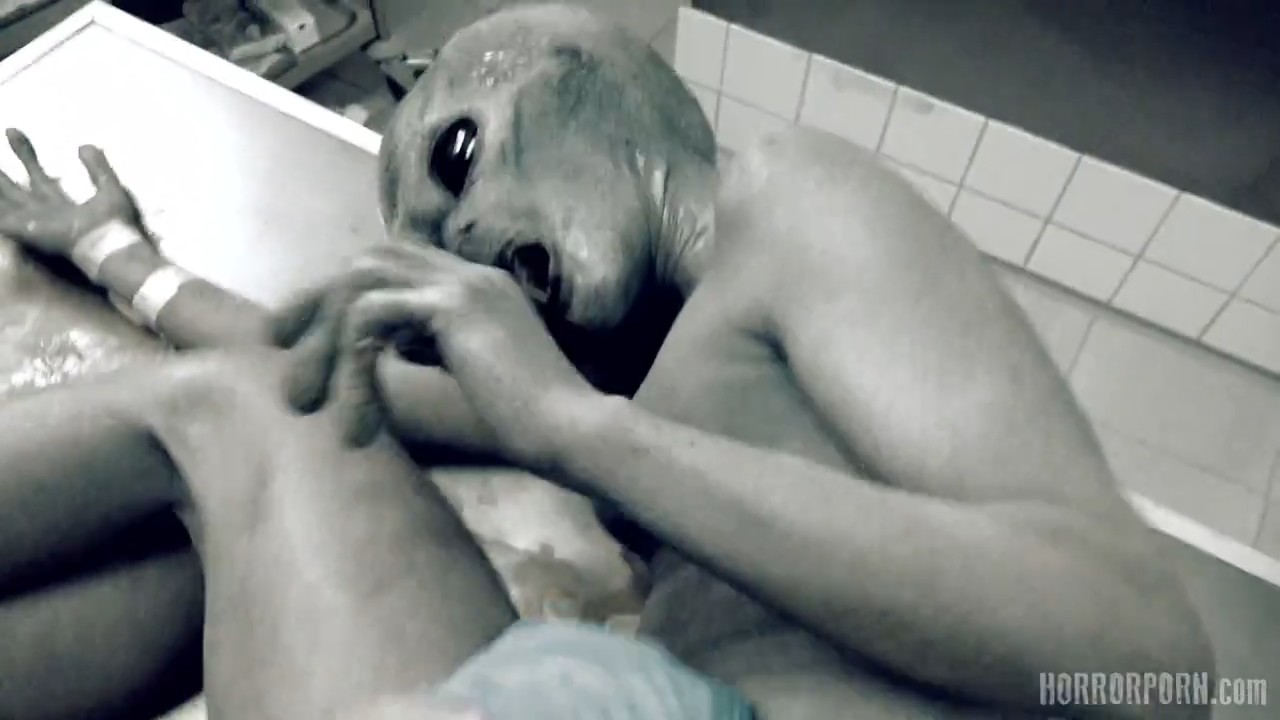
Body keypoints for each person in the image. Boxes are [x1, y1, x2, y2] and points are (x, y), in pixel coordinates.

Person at [0, 4, 1214, 719]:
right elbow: (321, 366)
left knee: (222, 414)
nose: (461, 244)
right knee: (206, 532)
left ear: (580, 73)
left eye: (457, 156)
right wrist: (113, 254)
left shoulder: (783, 201)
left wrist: (581, 435)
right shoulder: (612, 392)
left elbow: (1143, 660)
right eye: (433, 250)